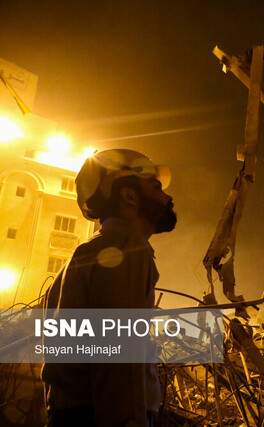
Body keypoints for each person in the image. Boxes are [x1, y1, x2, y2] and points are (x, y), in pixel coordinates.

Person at [42, 149, 177, 426]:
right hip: (103, 415)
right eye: (155, 186)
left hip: (75, 412)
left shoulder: (87, 252)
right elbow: (120, 352)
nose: (168, 197)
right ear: (129, 196)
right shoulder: (125, 248)